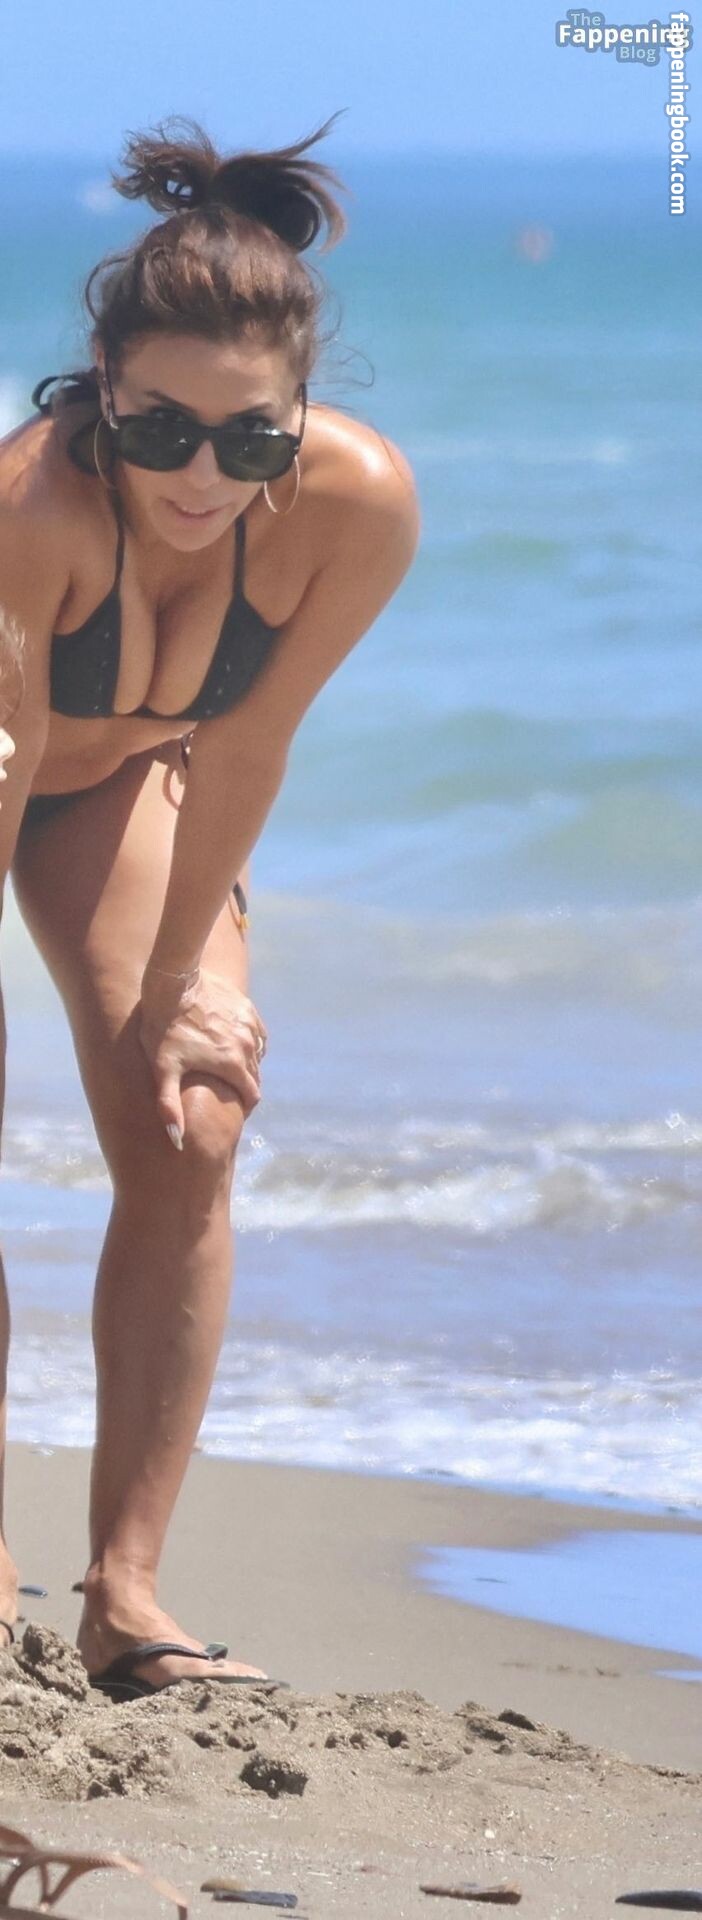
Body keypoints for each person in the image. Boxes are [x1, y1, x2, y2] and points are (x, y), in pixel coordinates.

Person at [0, 114, 420, 1698]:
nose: (198, 476)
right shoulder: (27, 515)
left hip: (127, 778)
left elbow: (244, 745)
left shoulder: (354, 508)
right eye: (160, 431)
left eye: (248, 442)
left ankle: (125, 1599)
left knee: (192, 1120)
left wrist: (185, 982)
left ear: (299, 414)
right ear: (100, 388)